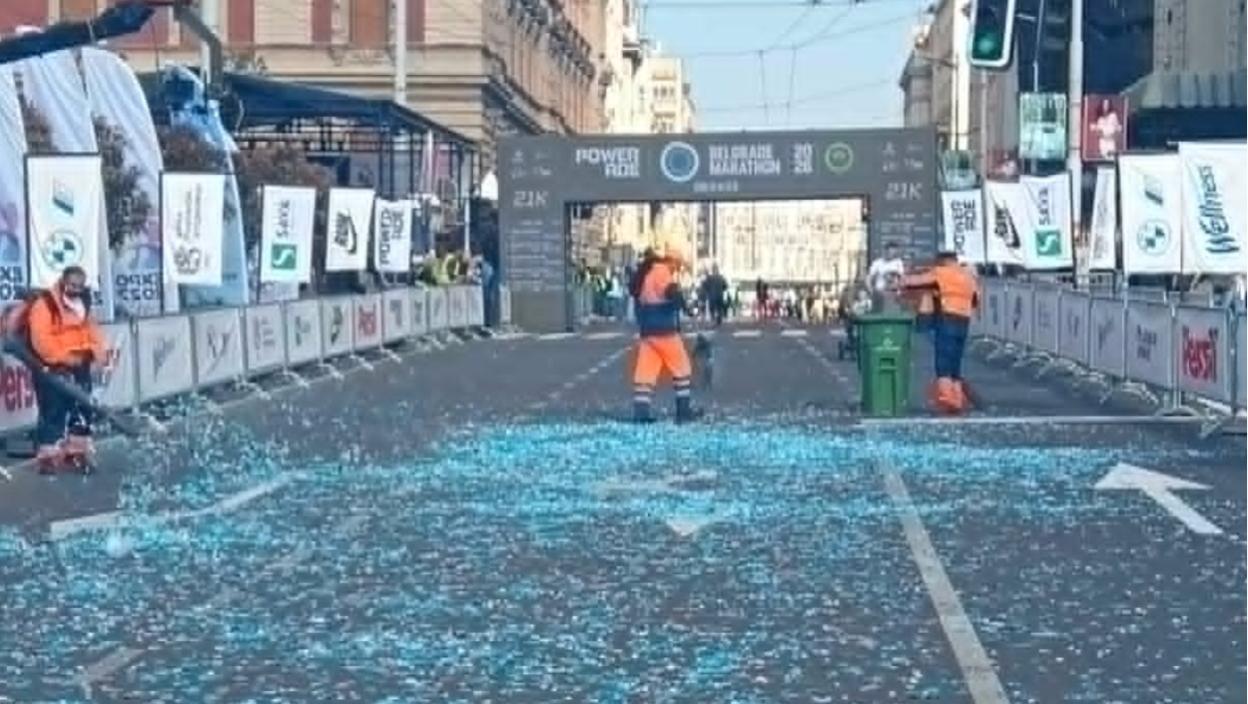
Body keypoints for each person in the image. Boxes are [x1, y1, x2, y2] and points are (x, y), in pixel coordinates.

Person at [20, 267, 107, 472]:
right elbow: (41, 340)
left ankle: (78, 453)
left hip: (79, 365)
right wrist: (65, 359)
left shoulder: (83, 304)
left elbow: (92, 332)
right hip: (51, 367)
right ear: (63, 281)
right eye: (72, 285)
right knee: (53, 410)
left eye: (80, 286)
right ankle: (48, 458)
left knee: (82, 409)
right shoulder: (45, 305)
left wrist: (97, 355)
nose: (76, 290)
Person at [901, 250, 979, 414]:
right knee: (955, 363)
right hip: (964, 321)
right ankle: (957, 398)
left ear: (943, 261)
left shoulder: (942, 272)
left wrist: (900, 281)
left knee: (943, 360)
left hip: (947, 318)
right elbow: (976, 301)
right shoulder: (968, 277)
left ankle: (947, 399)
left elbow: (918, 281)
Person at [630, 247, 698, 423]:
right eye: (678, 265)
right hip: (664, 329)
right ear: (672, 261)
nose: (677, 269)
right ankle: (683, 412)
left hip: (648, 330)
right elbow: (670, 292)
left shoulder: (647, 272)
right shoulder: (661, 271)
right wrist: (685, 307)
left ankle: (641, 413)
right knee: (682, 368)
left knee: (645, 372)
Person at [867, 242, 906, 312]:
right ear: (885, 251)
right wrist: (871, 291)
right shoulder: (877, 263)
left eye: (894, 253)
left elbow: (902, 278)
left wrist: (900, 290)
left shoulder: (898, 263)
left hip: (894, 295)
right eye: (890, 252)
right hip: (880, 294)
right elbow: (869, 278)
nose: (892, 255)